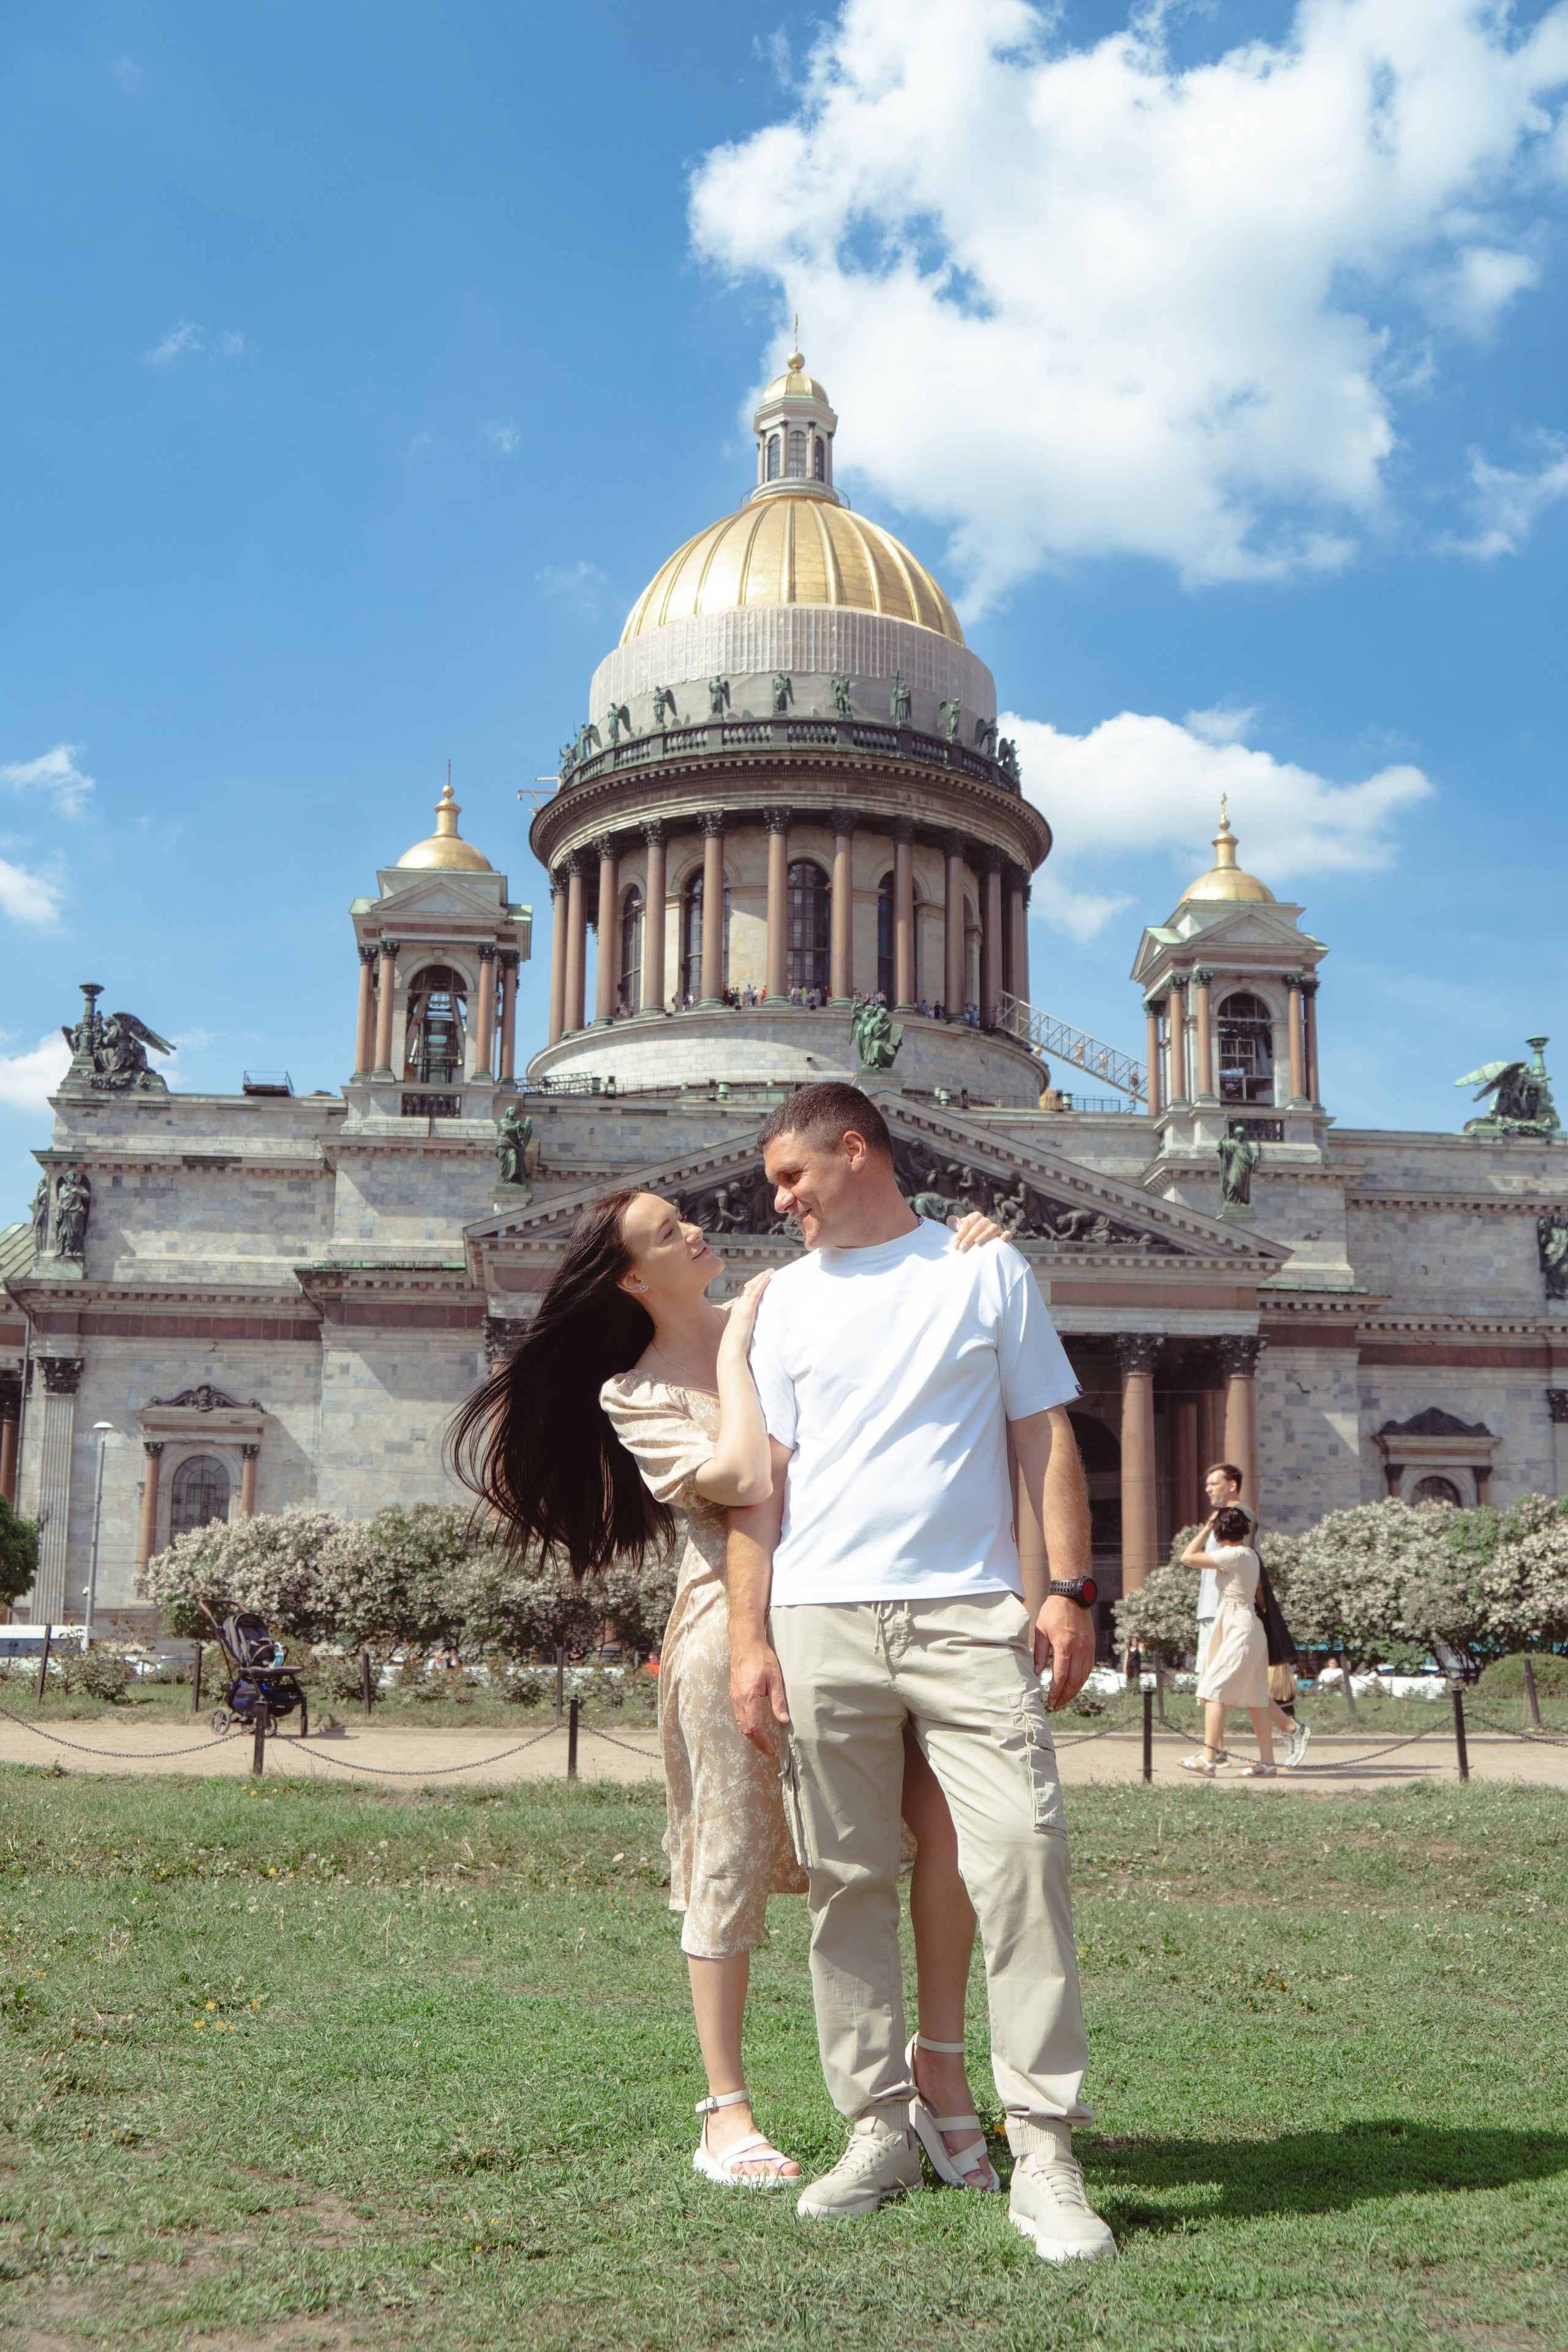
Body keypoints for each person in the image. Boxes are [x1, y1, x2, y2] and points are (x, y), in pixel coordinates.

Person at [450, 1183, 1016, 2194]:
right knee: (731, 1857)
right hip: (732, 1634)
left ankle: (938, 2068)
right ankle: (726, 2109)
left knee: (945, 1839)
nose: (697, 1230)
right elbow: (747, 1475)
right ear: (631, 1275)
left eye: (687, 1218)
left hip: (860, 1611)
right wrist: (746, 1339)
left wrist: (967, 1250)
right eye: (670, 1233)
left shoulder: (788, 1304)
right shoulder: (636, 1389)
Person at [728, 1082, 1115, 2260]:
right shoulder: (782, 1301)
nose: (780, 1202)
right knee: (846, 1883)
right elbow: (766, 1482)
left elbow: (1041, 1430)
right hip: (820, 1615)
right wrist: (750, 1638)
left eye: (793, 1177)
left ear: (857, 1152)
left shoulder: (983, 1269)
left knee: (1023, 1862)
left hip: (965, 1612)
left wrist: (1069, 1586)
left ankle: (1043, 2146)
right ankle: (878, 2127)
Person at [1194, 1464, 1307, 1768]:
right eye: (1207, 1484)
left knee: (1216, 1686)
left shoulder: (1238, 1518)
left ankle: (1214, 1754)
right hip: (1216, 1611)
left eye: (1214, 1483)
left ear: (1232, 1485)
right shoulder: (1224, 1518)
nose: (1208, 1489)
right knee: (1238, 1687)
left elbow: (1246, 1569)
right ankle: (1281, 1735)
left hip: (1231, 1615)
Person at [1178, 1506, 1276, 1776]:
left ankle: (1208, 1758)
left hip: (1238, 1627)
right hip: (1252, 1626)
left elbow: (1187, 1557)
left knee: (1213, 1689)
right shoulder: (1251, 1555)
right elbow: (1261, 1597)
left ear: (1221, 1532)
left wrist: (1206, 1527)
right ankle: (1267, 1763)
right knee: (1257, 1697)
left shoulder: (1230, 1556)